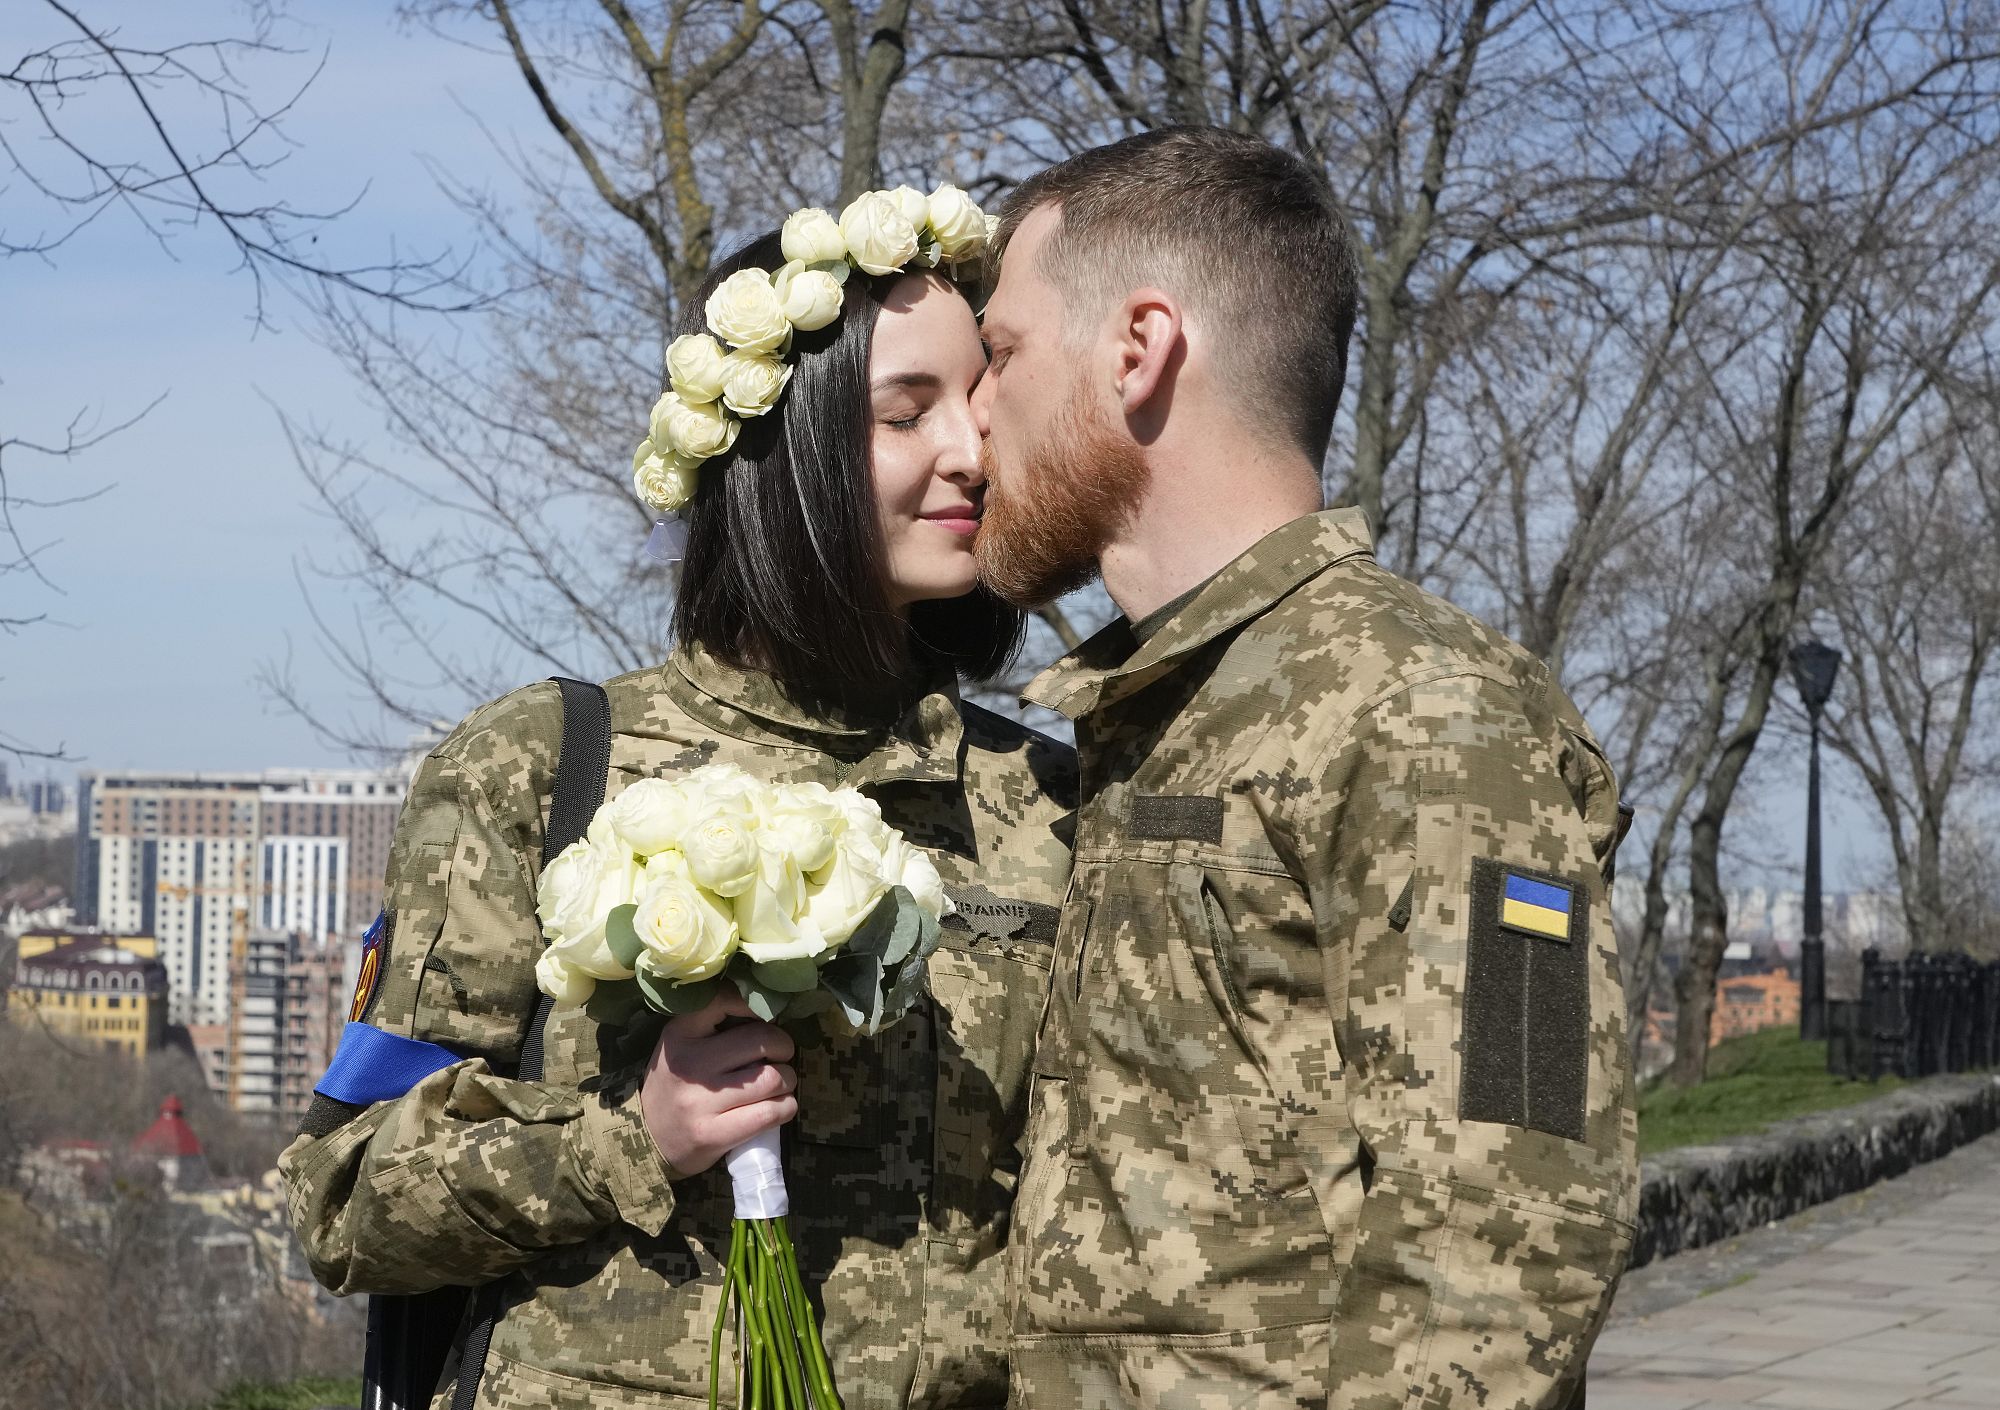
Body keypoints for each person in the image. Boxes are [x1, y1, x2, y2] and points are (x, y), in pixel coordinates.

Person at [280, 215, 1077, 1409]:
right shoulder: (541, 767)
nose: (970, 452)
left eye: (982, 402)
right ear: (782, 444)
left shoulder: (1050, 802)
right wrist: (630, 1138)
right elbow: (338, 1204)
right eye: (907, 412)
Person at [971, 127, 1636, 1409]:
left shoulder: (1431, 713)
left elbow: (1513, 1223)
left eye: (1001, 353)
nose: (974, 408)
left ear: (1138, 348)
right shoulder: (1154, 709)